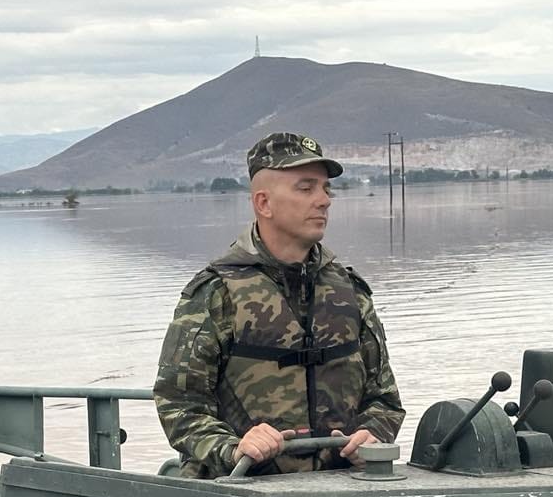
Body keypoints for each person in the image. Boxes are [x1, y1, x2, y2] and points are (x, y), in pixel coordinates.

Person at [154, 132, 404, 478]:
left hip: (342, 493)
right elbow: (178, 405)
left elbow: (385, 400)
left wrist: (373, 434)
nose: (324, 200)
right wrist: (232, 447)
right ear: (264, 203)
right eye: (306, 188)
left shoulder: (350, 291)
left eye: (326, 189)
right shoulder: (216, 293)